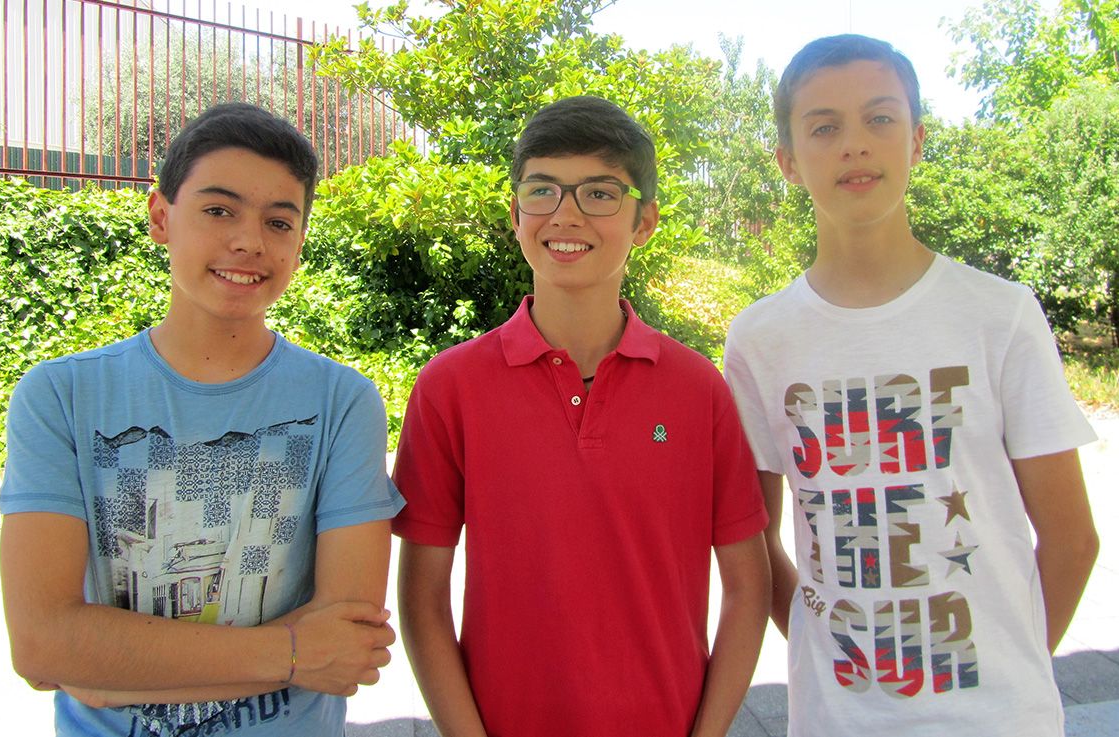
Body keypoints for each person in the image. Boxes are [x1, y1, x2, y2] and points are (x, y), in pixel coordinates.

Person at [723, 34, 1100, 736]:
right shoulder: (759, 340)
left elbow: (1072, 540)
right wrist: (826, 647)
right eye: (824, 127)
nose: (855, 144)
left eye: (880, 117)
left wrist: (1013, 676)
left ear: (917, 139)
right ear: (788, 161)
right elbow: (756, 546)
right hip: (836, 721)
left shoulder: (1000, 315)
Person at [0, 102, 405, 737]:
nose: (249, 241)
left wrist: (109, 671)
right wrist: (296, 653)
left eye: (279, 222)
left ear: (300, 240)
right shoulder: (60, 397)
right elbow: (44, 644)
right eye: (219, 210)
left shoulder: (343, 403)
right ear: (161, 217)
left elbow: (347, 646)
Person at [391, 96, 771, 736]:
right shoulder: (449, 388)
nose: (565, 214)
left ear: (644, 221)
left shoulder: (698, 389)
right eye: (542, 190)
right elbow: (423, 602)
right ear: (516, 215)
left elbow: (748, 587)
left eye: (599, 193)